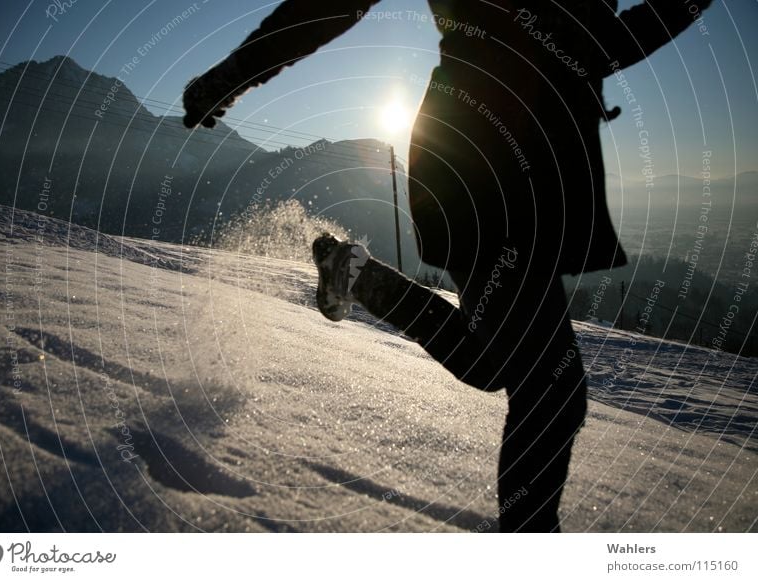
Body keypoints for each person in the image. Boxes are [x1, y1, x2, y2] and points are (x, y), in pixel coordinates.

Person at [183, 0, 713, 532]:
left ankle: (358, 276)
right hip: (480, 161)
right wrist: (234, 74)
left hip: (529, 170)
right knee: (549, 388)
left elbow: (599, 45)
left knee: (501, 366)